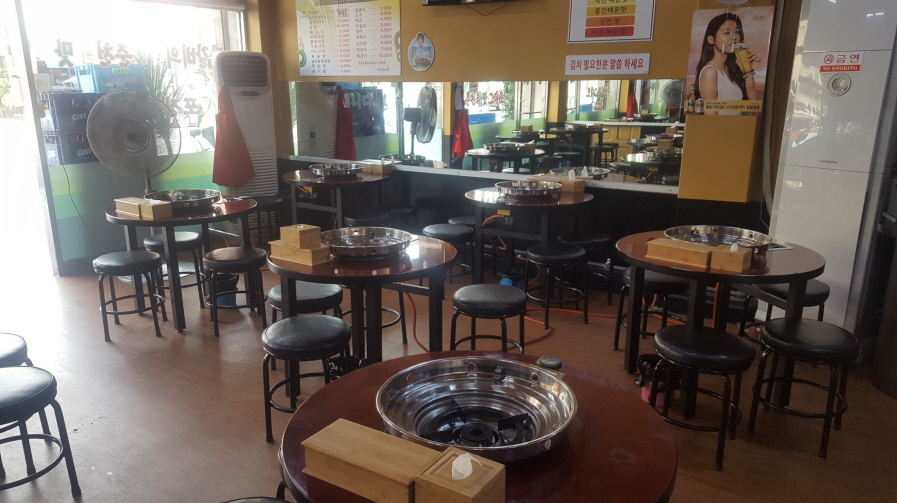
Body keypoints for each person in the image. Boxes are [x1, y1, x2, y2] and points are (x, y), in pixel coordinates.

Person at [694, 13, 760, 114]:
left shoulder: (731, 68)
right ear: (711, 40)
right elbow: (710, 116)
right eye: (726, 33)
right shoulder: (710, 71)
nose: (734, 37)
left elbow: (754, 105)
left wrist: (748, 71)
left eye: (736, 32)